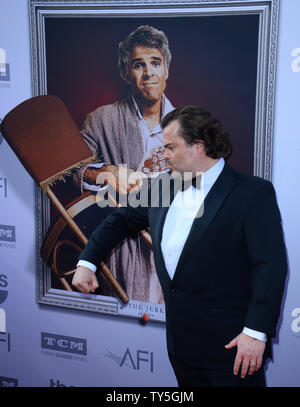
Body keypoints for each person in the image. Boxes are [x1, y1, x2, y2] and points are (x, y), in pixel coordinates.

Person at [72, 106, 287, 387]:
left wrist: (256, 333)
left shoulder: (252, 193)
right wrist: (87, 262)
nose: (164, 155)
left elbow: (269, 266)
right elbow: (119, 222)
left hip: (234, 348)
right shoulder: (162, 185)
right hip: (181, 346)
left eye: (171, 147)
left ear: (199, 146)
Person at [73, 25, 174, 303]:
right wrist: (103, 173)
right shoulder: (101, 120)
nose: (148, 73)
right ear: (126, 74)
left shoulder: (188, 124)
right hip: (123, 252)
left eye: (155, 63)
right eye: (138, 65)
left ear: (166, 69)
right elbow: (71, 170)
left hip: (174, 252)